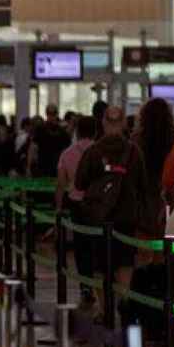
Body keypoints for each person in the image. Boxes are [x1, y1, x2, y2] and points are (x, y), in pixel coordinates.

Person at [75, 104, 148, 308]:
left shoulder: (93, 151)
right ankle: (124, 307)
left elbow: (80, 183)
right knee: (124, 264)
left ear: (104, 123)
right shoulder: (134, 152)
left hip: (98, 218)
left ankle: (104, 309)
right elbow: (143, 185)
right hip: (126, 217)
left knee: (100, 266)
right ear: (125, 123)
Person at [55, 115, 97, 306]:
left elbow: (61, 184)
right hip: (100, 206)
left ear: (77, 131)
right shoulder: (100, 151)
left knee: (81, 249)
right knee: (99, 246)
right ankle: (103, 290)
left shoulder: (67, 153)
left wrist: (58, 208)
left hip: (77, 206)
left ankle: (86, 288)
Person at [134, 98, 174, 238]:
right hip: (169, 200)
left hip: (142, 201)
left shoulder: (135, 142)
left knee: (144, 246)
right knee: (168, 244)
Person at [29, 104, 71, 177]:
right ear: (46, 114)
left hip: (57, 166)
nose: (51, 116)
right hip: (42, 166)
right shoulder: (40, 129)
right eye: (49, 113)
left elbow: (67, 150)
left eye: (53, 113)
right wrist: (29, 166)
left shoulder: (62, 132)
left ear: (57, 114)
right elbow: (32, 148)